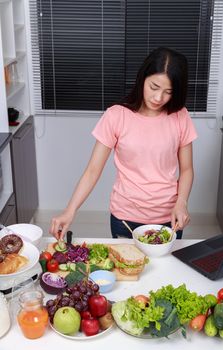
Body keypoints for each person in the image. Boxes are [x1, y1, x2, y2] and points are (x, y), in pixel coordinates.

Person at [49, 47, 197, 240]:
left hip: (168, 218)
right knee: (126, 270)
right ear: (142, 78)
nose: (159, 98)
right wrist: (70, 210)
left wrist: (182, 203)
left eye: (168, 92)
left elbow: (187, 169)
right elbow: (93, 170)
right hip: (125, 218)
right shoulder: (116, 116)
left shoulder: (180, 116)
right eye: (154, 87)